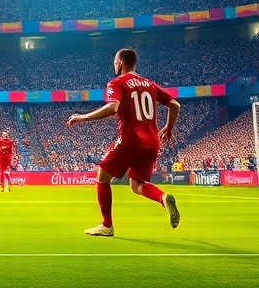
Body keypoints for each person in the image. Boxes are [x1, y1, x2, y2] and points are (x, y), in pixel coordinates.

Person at [66, 48, 182, 237]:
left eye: (114, 62)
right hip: (152, 141)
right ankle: (162, 197)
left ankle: (107, 225)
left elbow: (113, 107)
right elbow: (174, 105)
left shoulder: (117, 83)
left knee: (102, 176)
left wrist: (82, 117)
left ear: (120, 63)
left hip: (131, 138)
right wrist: (169, 128)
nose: (114, 66)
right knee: (136, 184)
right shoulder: (149, 84)